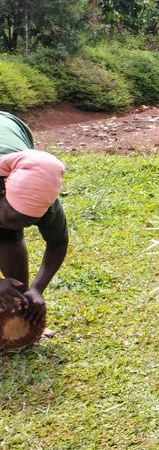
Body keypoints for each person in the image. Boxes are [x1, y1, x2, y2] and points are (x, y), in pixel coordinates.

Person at [0, 112, 67, 331]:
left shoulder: (42, 199)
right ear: (2, 192)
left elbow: (58, 242)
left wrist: (37, 289)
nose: (17, 226)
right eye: (14, 219)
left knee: (8, 236)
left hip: (13, 127)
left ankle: (19, 309)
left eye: (27, 223)